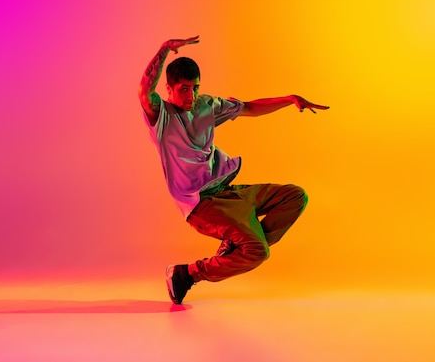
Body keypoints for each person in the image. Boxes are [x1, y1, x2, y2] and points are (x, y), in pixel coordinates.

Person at [139, 36, 329, 304]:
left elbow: (249, 107)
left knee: (295, 196)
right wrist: (163, 49)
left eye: (195, 88)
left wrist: (289, 99)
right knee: (256, 252)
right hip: (202, 205)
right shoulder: (162, 116)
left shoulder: (207, 105)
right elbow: (145, 91)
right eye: (183, 89)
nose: (190, 96)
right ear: (169, 89)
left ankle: (233, 246)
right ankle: (187, 274)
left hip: (228, 192)